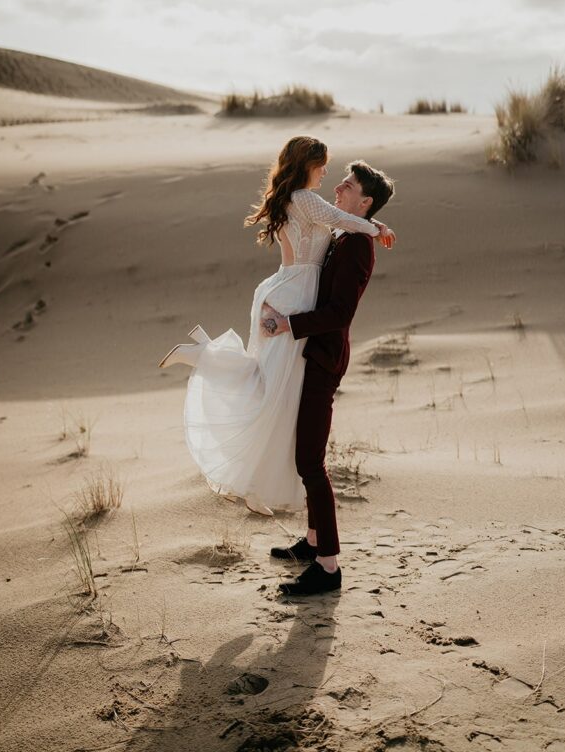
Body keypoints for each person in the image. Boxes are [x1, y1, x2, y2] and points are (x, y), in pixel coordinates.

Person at [158, 136, 395, 516]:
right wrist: (374, 227)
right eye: (321, 165)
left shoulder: (295, 200)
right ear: (307, 165)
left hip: (286, 289)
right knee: (273, 392)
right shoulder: (305, 199)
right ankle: (208, 357)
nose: (326, 176)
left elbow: (337, 227)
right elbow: (341, 221)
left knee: (270, 384)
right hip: (295, 295)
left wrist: (368, 223)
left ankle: (254, 478)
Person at [264, 160, 395, 595]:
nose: (338, 186)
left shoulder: (358, 245)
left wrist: (289, 325)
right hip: (311, 353)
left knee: (310, 462)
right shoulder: (350, 232)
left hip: (323, 358)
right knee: (308, 458)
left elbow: (340, 313)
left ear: (366, 200)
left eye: (350, 184)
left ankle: (329, 567)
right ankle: (314, 540)